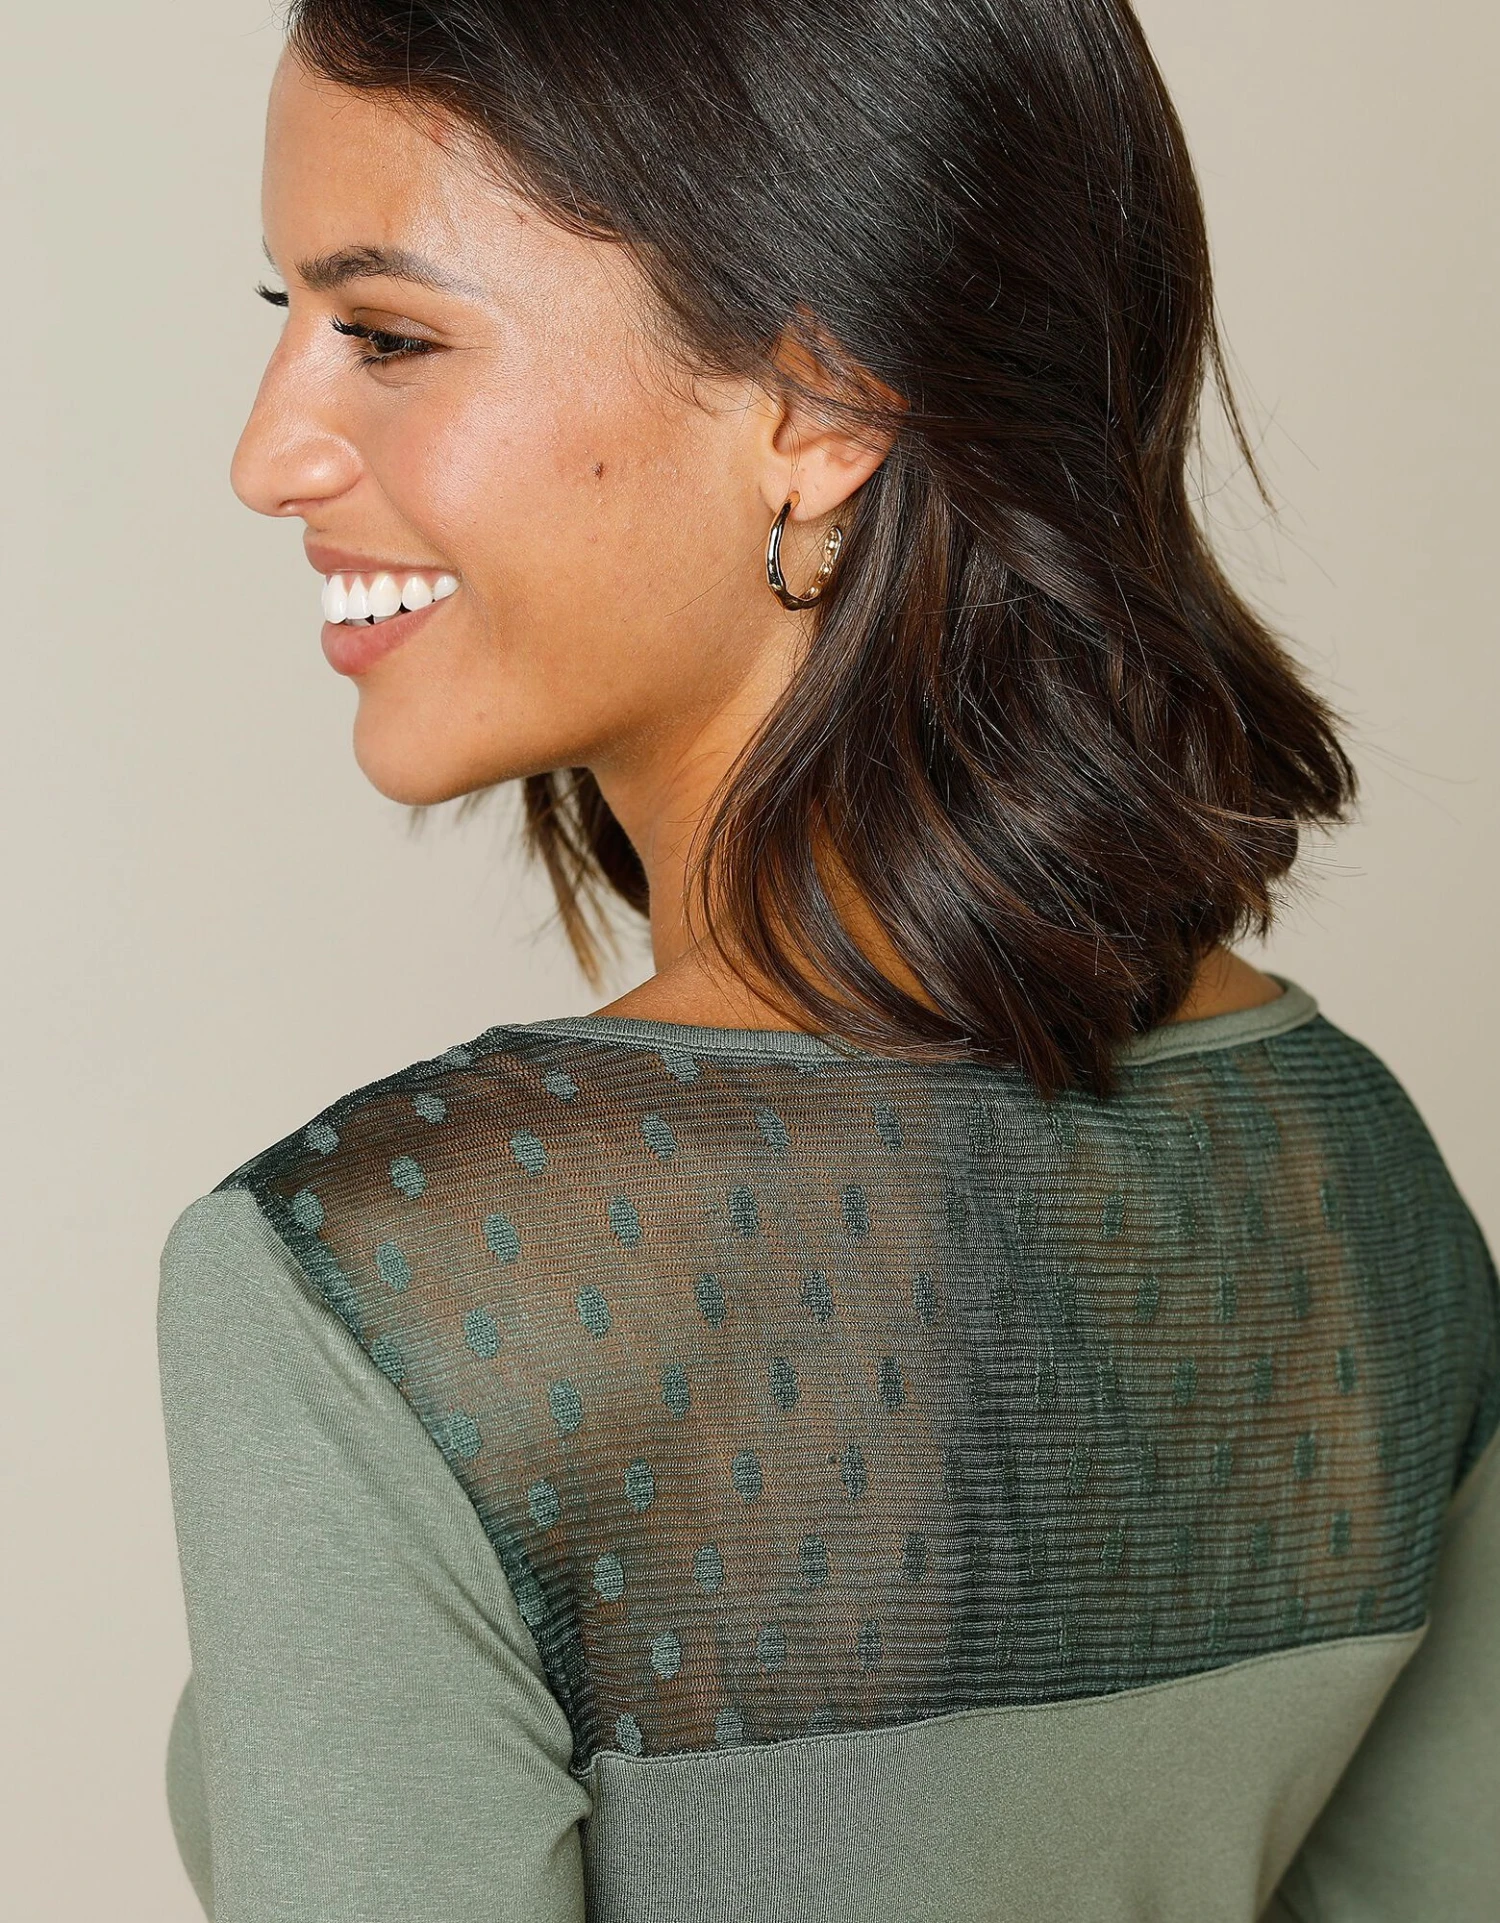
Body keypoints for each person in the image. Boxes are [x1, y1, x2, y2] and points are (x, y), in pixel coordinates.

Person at [157, 2, 1499, 1918]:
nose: (268, 454)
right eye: (284, 315)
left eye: (387, 334)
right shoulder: (1353, 1170)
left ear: (821, 406)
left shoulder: (385, 1291)